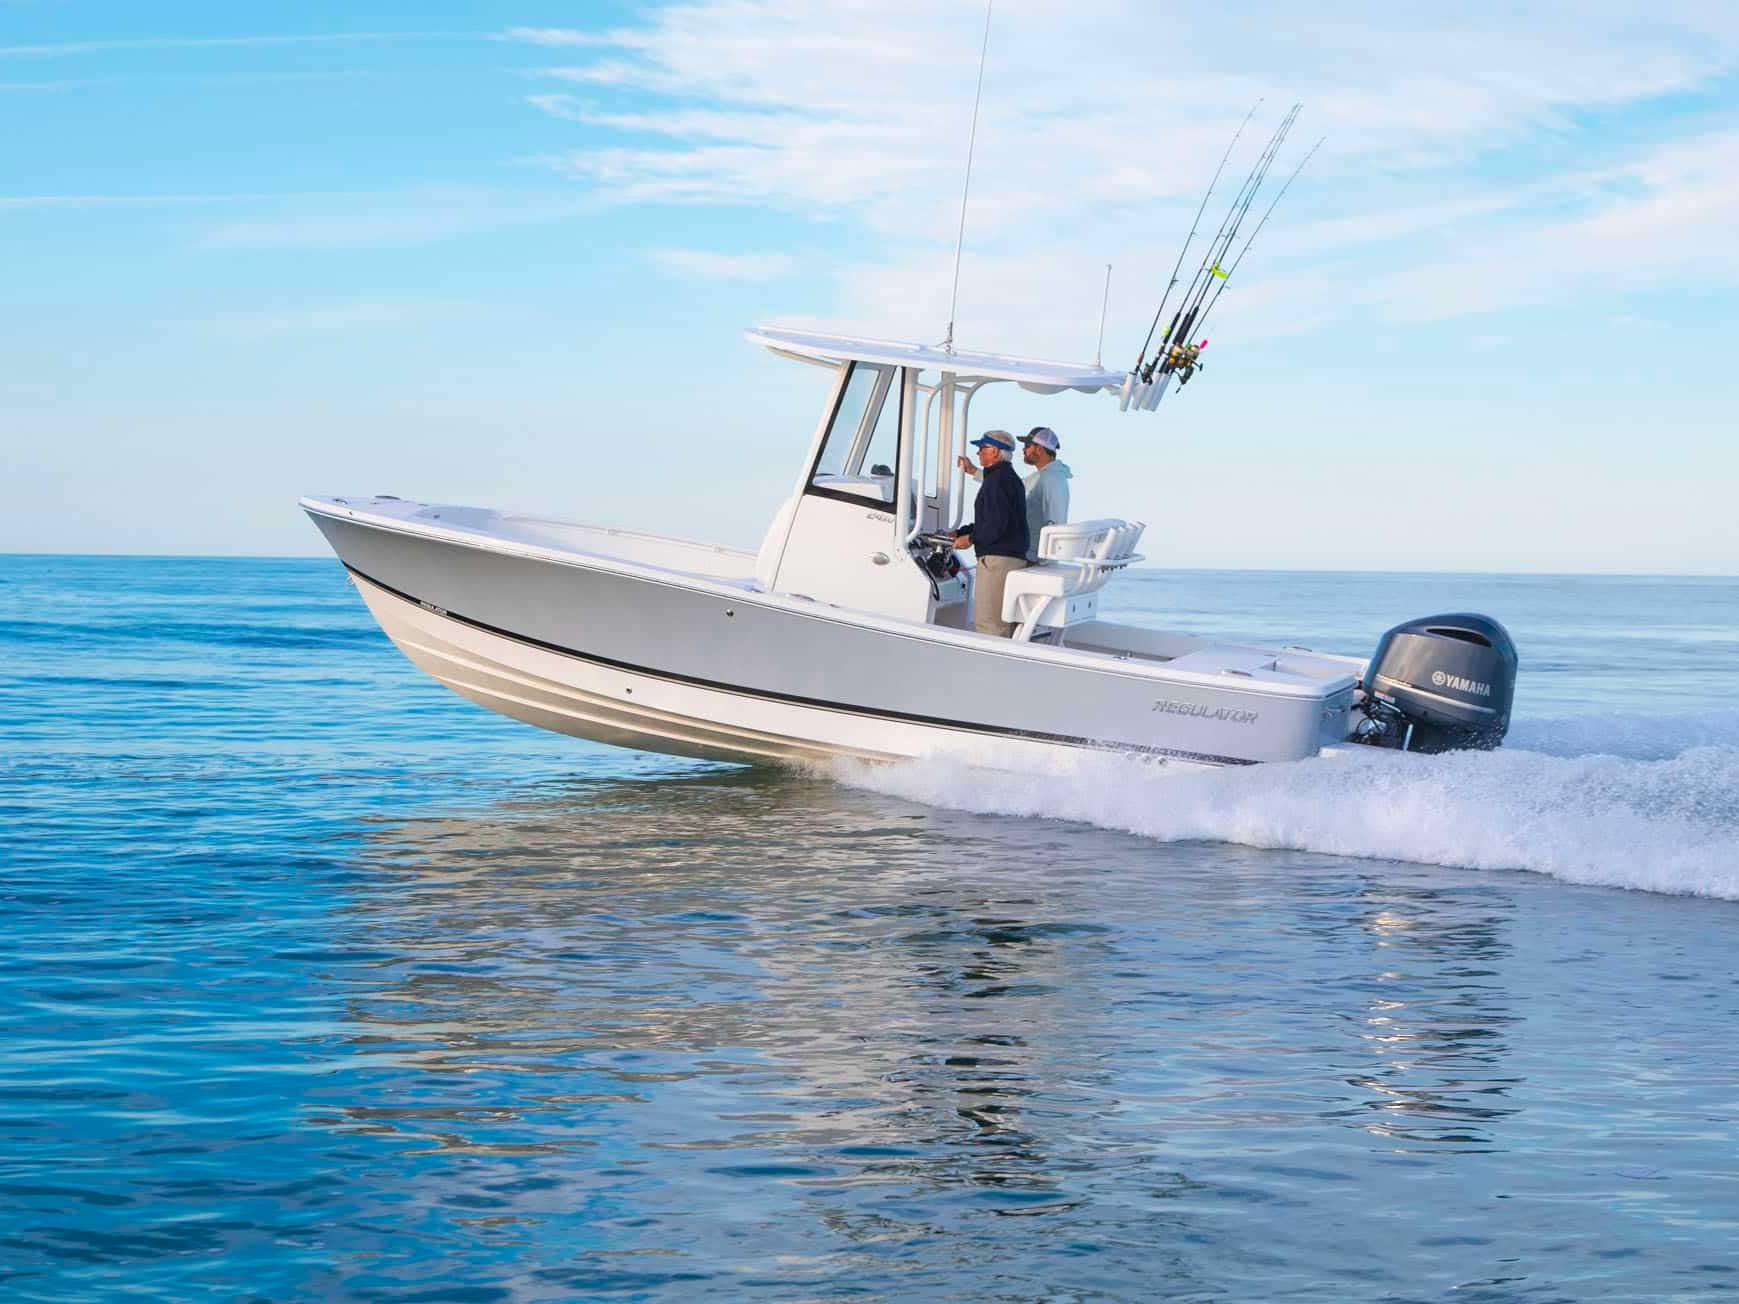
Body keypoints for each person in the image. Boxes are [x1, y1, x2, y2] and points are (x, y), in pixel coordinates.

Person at [952, 431, 1030, 637]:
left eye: (982, 448)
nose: (977, 453)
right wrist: (960, 532)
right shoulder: (1006, 478)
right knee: (1004, 625)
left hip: (997, 562)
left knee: (990, 626)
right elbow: (993, 520)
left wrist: (969, 539)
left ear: (994, 451)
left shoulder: (997, 481)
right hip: (1009, 560)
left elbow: (995, 526)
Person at [1017, 426, 1071, 561]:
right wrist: (974, 472)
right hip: (1032, 554)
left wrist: (1044, 561)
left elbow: (1055, 521)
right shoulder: (1045, 476)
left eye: (1027, 446)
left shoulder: (1049, 479)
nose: (1023, 450)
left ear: (1039, 449)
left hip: (1035, 558)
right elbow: (1011, 486)